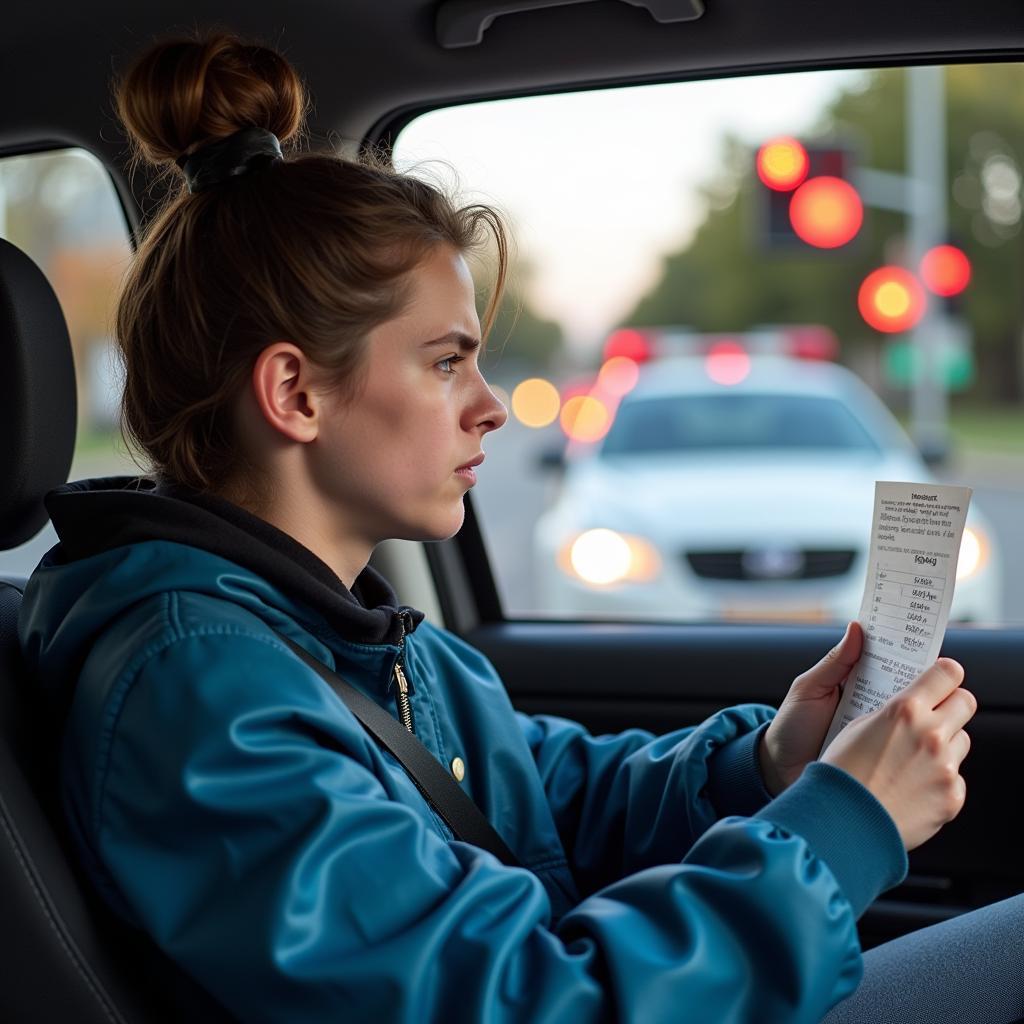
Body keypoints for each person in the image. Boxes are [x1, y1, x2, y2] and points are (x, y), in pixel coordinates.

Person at [16, 31, 1013, 1024]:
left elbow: (550, 800)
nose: (491, 405)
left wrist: (764, 767)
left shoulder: (354, 641)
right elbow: (526, 1005)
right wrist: (843, 828)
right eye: (447, 360)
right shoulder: (202, 698)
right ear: (293, 392)